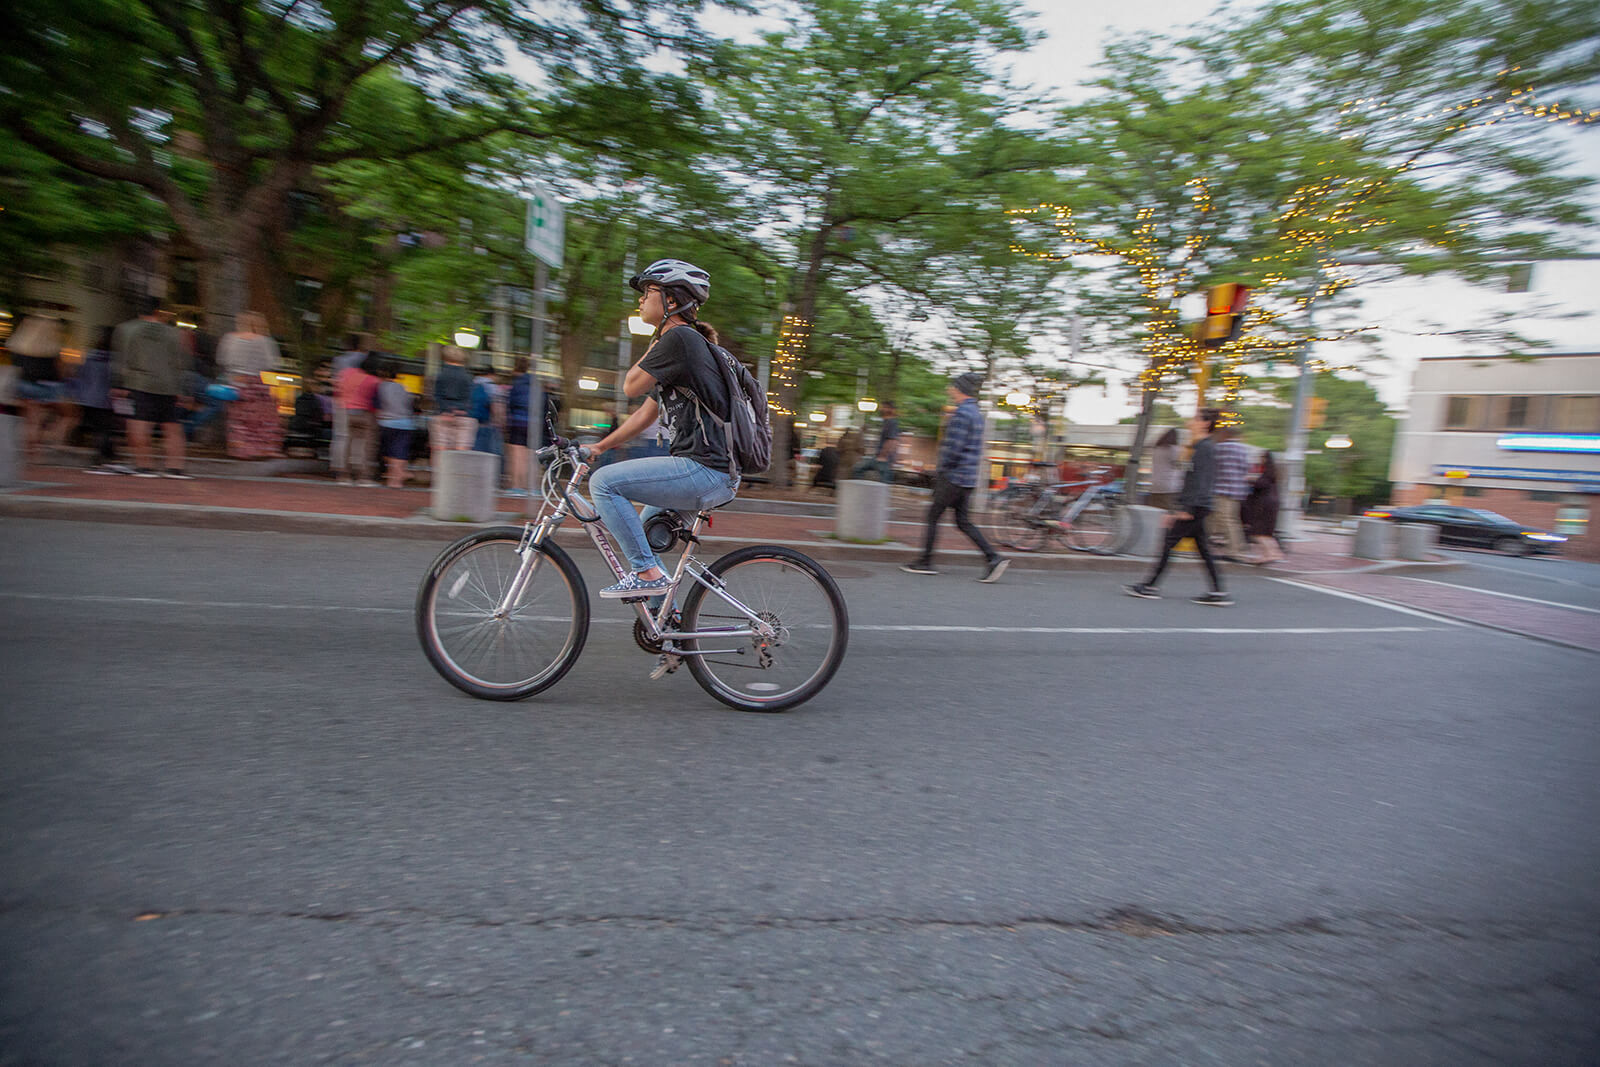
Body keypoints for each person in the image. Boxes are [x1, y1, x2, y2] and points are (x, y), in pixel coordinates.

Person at [582, 258, 740, 613]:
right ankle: (663, 623)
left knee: (604, 484)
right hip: (706, 469)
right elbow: (645, 412)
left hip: (705, 469)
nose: (639, 300)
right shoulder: (682, 345)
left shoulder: (680, 338)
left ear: (671, 300)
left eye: (647, 291)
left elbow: (630, 386)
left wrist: (657, 339)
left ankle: (648, 576)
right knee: (643, 532)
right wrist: (599, 446)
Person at [901, 372, 1009, 583]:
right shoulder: (976, 414)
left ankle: (925, 561)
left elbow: (954, 449)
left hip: (953, 477)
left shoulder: (961, 415)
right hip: (967, 478)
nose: (949, 389)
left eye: (952, 386)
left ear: (960, 389)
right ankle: (993, 557)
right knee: (963, 521)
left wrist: (940, 469)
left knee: (933, 516)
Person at [1124, 408, 1231, 605]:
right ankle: (1218, 591)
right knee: (1203, 550)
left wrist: (1185, 509)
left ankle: (1149, 586)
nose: (1190, 421)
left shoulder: (1205, 448)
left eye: (1195, 418)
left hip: (1195, 506)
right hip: (1197, 505)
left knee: (1168, 543)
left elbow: (1201, 481)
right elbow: (1191, 481)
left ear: (1205, 424)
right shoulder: (1199, 447)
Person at [113, 296, 194, 479]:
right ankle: (174, 467)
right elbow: (183, 362)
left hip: (139, 383)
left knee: (139, 425)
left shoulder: (127, 330)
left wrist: (119, 384)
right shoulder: (175, 334)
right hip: (169, 385)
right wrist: (185, 390)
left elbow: (124, 359)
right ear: (159, 312)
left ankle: (144, 465)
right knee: (172, 427)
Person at [216, 310, 284, 459]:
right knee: (262, 419)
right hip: (257, 384)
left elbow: (222, 359)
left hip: (235, 382)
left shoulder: (229, 339)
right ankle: (261, 449)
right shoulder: (264, 341)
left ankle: (240, 449)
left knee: (238, 418)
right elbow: (271, 363)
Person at [78, 326, 128, 474]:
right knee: (106, 429)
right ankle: (103, 457)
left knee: (98, 429)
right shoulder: (115, 359)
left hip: (89, 397)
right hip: (106, 399)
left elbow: (82, 375)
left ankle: (104, 455)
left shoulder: (90, 355)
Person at [336, 351, 381, 486]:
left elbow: (339, 390)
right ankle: (365, 477)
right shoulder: (374, 380)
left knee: (348, 443)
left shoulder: (347, 373)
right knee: (367, 446)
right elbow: (375, 402)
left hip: (348, 412)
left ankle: (345, 475)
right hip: (366, 414)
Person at [429, 344, 476, 471]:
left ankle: (442, 480)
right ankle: (458, 479)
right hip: (463, 416)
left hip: (443, 415)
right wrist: (458, 409)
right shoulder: (467, 377)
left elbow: (437, 396)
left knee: (441, 451)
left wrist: (447, 410)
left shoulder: (441, 375)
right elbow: (469, 398)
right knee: (461, 453)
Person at [1208, 424, 1251, 560]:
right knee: (1233, 520)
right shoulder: (1244, 449)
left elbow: (1212, 467)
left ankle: (1233, 551)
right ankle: (1238, 547)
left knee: (1225, 520)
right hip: (1238, 491)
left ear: (1225, 435)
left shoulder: (1220, 448)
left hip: (1222, 489)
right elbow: (1246, 469)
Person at [329, 333, 370, 474]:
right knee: (359, 438)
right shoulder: (365, 359)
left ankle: (339, 466)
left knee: (340, 435)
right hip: (361, 403)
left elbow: (335, 383)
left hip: (341, 401)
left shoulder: (338, 361)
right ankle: (357, 465)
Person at [503, 355, 542, 496]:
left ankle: (517, 486)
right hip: (534, 423)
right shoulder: (536, 384)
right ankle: (533, 487)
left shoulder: (516, 384)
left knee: (517, 455)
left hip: (518, 421)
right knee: (532, 457)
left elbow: (511, 404)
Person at [376, 359, 417, 489]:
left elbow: (377, 405)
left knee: (388, 452)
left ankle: (395, 476)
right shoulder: (402, 388)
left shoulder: (380, 387)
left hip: (386, 422)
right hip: (405, 423)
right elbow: (410, 405)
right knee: (400, 451)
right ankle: (397, 480)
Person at [1241, 451, 1286, 563]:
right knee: (1266, 533)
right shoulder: (1273, 472)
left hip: (1264, 505)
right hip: (1271, 504)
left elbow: (1261, 485)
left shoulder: (1267, 473)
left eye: (1261, 457)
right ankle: (1273, 553)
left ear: (1265, 459)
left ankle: (1270, 554)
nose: (1259, 459)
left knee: (1258, 532)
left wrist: (1250, 480)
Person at [852, 402, 901, 482]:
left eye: (884, 407)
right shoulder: (885, 422)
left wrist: (883, 456)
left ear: (891, 410)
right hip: (878, 457)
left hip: (883, 459)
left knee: (859, 469)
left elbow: (892, 441)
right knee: (858, 468)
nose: (881, 409)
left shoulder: (892, 422)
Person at [1146, 426, 1183, 511]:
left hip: (1155, 487)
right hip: (1170, 488)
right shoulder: (1174, 450)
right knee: (1169, 515)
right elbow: (1181, 467)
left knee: (1156, 514)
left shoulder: (1156, 449)